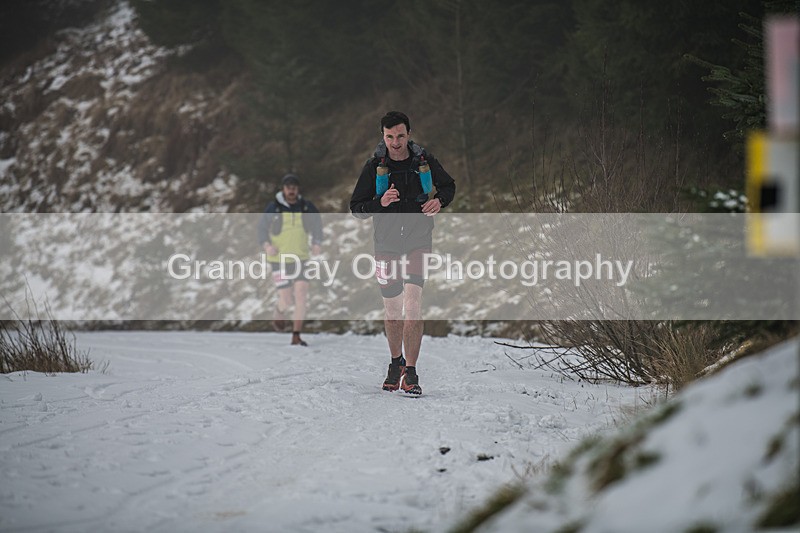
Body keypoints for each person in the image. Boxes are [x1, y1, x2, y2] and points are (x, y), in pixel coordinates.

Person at [350, 111, 456, 395]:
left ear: (408, 133)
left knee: (413, 303)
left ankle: (411, 371)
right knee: (392, 309)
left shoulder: (424, 162)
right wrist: (379, 201)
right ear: (382, 137)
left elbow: (448, 186)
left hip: (418, 240)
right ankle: (395, 363)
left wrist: (439, 201)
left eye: (400, 135)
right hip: (385, 245)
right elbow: (356, 207)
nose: (395, 142)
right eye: (389, 136)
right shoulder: (374, 166)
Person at [258, 173, 323, 346]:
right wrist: (266, 245)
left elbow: (317, 224)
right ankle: (279, 309)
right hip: (278, 260)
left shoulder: (306, 206)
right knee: (287, 299)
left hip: (301, 257)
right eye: (288, 187)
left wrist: (317, 242)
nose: (291, 190)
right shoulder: (274, 207)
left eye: (294, 187)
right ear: (283, 189)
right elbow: (261, 229)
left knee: (301, 294)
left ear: (298, 189)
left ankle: (296, 335)